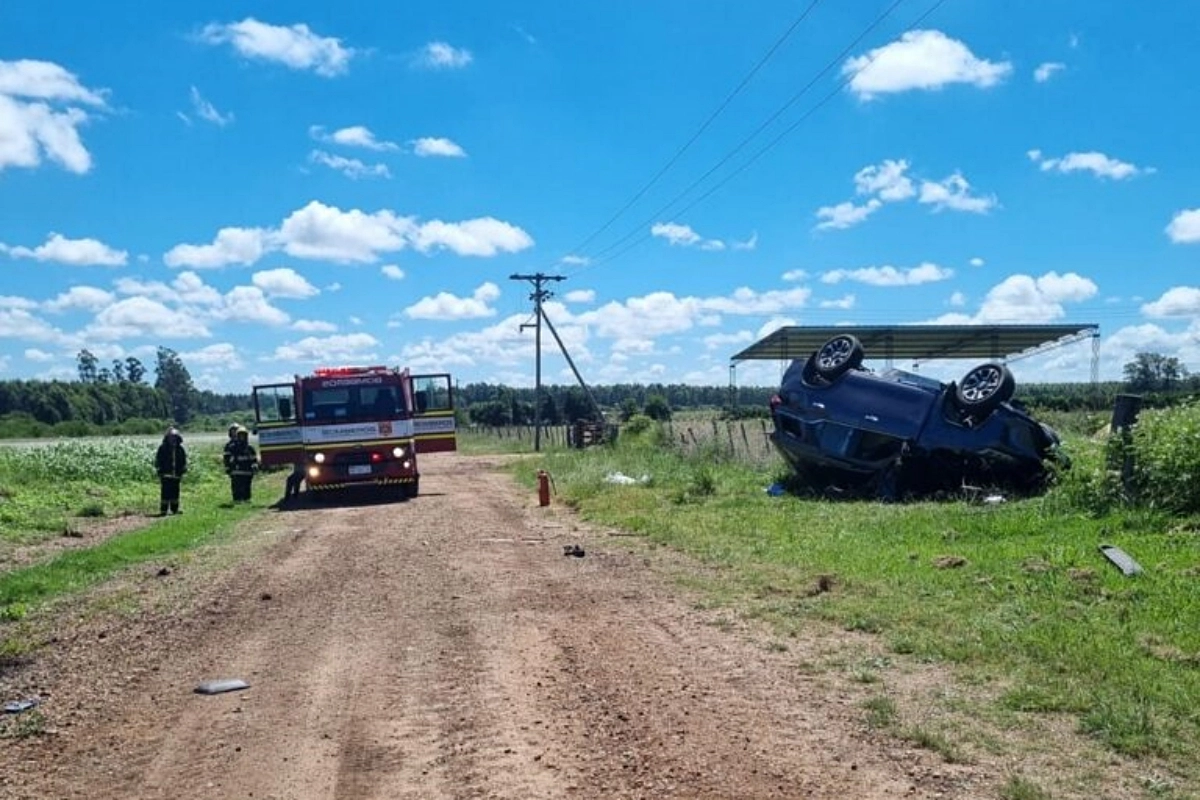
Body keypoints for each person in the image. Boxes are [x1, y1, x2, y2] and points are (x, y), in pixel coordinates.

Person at [154, 427, 187, 515]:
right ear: (167, 438)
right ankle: (163, 510)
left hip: (176, 475)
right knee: (165, 493)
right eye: (171, 437)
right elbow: (158, 460)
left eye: (174, 437)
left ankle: (174, 509)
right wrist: (159, 470)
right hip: (165, 475)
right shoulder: (163, 448)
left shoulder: (180, 449)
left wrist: (183, 469)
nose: (172, 439)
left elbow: (183, 460)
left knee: (175, 492)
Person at [225, 426, 258, 503]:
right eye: (240, 435)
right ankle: (237, 499)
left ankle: (247, 499)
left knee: (247, 485)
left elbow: (254, 459)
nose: (242, 437)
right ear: (237, 436)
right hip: (236, 471)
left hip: (247, 471)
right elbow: (227, 459)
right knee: (236, 486)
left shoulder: (250, 448)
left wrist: (254, 466)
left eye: (243, 435)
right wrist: (228, 468)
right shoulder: (232, 447)